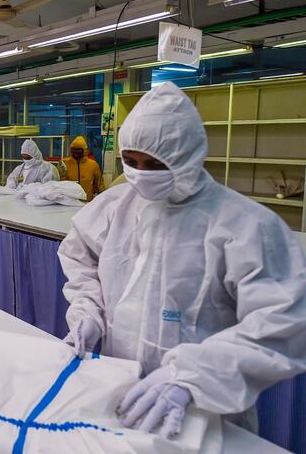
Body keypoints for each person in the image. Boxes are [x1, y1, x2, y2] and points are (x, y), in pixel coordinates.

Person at [58, 82, 306, 439]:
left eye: (154, 164)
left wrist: (192, 376)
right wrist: (88, 310)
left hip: (205, 410)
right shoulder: (118, 206)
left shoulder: (245, 225)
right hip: (120, 392)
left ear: (187, 155)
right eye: (131, 161)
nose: (141, 173)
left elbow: (285, 323)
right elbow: (80, 256)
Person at [62, 136, 103, 201]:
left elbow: (99, 186)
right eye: (73, 150)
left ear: (84, 150)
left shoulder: (93, 165)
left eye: (78, 150)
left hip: (87, 204)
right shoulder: (64, 164)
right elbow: (59, 185)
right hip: (68, 204)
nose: (76, 153)